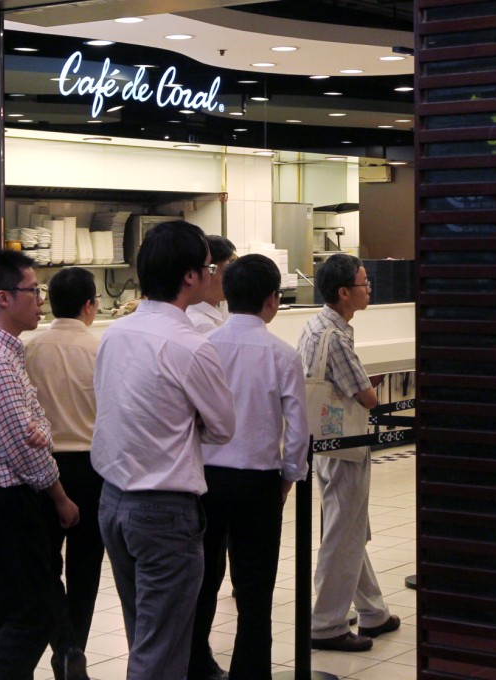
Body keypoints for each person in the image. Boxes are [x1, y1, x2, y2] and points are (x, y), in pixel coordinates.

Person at [92, 220, 236, 680]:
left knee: (146, 637)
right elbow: (223, 427)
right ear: (191, 276)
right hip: (164, 512)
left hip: (112, 502)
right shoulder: (191, 346)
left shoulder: (114, 334)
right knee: (161, 651)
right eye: (209, 267)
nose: (214, 275)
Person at [0, 250, 80, 679]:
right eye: (32, 290)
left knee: (5, 617)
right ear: (3, 298)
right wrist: (60, 497)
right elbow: (24, 447)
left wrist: (36, 429)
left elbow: (36, 421)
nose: (40, 298)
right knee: (32, 617)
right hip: (2, 504)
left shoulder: (5, 353)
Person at [188, 254, 309, 680]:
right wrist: (289, 478)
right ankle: (251, 672)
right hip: (259, 482)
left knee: (201, 582)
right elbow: (297, 430)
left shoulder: (203, 347)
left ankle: (194, 666)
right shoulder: (282, 354)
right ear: (272, 300)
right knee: (255, 589)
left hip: (204, 480)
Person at [296, 253, 400, 653]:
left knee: (349, 527)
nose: (368, 287)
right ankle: (325, 624)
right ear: (344, 292)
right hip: (345, 445)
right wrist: (372, 388)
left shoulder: (315, 323)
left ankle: (372, 611)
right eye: (363, 282)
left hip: (324, 441)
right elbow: (367, 397)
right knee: (343, 534)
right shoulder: (335, 337)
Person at [25, 267, 104, 680]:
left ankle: (64, 643)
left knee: (46, 565)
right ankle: (75, 648)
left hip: (43, 468)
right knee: (86, 566)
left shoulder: (29, 349)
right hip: (92, 468)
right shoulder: (100, 349)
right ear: (89, 305)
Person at [186, 235, 237, 334]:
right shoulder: (200, 323)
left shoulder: (224, 305)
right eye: (227, 271)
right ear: (207, 271)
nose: (232, 277)